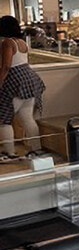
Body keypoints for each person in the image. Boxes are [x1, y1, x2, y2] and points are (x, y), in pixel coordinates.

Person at [0, 16, 45, 162]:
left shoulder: (7, 43)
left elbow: (6, 66)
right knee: (27, 118)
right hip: (29, 79)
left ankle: (10, 153)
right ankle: (36, 149)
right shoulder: (22, 42)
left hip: (14, 81)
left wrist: (0, 82)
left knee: (4, 119)